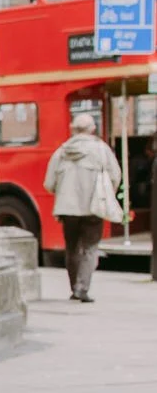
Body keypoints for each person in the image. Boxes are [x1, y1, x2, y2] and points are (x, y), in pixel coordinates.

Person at [44, 114, 123, 302]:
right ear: (92, 129)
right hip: (93, 207)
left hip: (68, 209)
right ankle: (82, 288)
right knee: (90, 248)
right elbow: (115, 175)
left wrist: (63, 193)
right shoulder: (101, 149)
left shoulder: (62, 151)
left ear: (73, 129)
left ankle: (73, 287)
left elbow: (48, 183)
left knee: (71, 248)